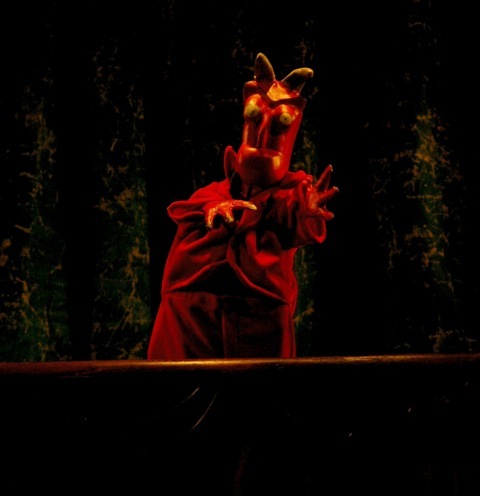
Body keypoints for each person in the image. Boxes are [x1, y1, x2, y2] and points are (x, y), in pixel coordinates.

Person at [147, 53, 338, 360]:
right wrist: (215, 209)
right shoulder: (213, 193)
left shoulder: (288, 196)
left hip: (258, 314)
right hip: (194, 311)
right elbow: (189, 213)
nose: (263, 135)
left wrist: (306, 208)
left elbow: (294, 216)